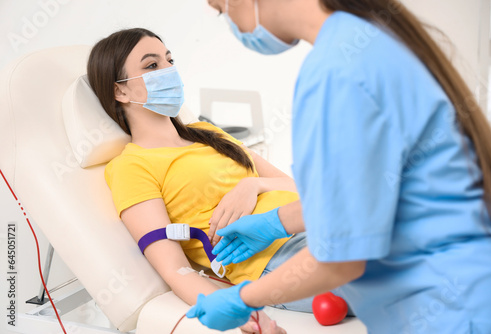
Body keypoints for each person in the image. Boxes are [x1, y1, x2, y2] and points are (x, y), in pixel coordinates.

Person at [186, 0, 491, 333]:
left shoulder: (335, 72)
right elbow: (371, 190)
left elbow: (338, 260)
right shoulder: (369, 40)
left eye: (221, 9)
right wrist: (276, 222)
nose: (229, 22)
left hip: (449, 311)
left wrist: (243, 298)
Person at [86, 27, 331, 334]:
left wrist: (253, 185)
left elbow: (302, 190)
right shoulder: (131, 166)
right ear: (120, 91)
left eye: (169, 60)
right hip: (276, 258)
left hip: (316, 222)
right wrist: (241, 313)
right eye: (152, 66)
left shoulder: (208, 133)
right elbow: (175, 268)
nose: (169, 71)